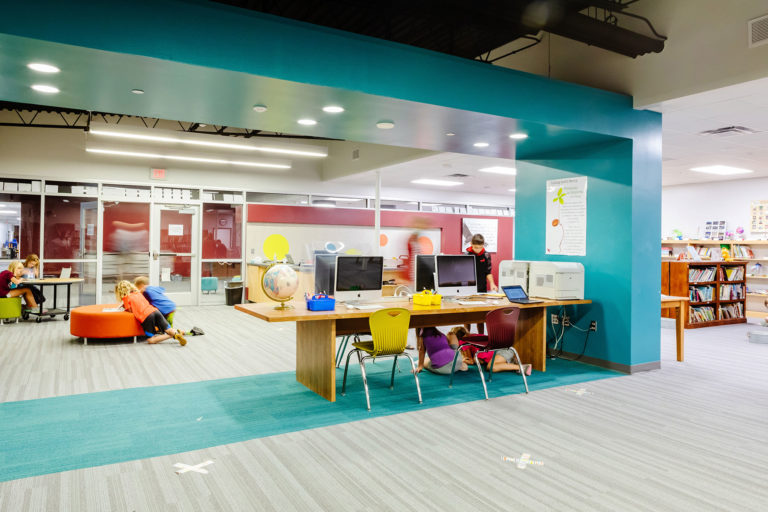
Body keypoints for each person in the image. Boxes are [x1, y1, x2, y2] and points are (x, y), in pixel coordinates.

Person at [115, 280, 187, 345]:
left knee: (151, 340)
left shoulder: (126, 298)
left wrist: (124, 307)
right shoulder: (138, 293)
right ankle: (176, 334)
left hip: (146, 316)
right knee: (169, 329)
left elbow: (129, 310)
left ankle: (171, 335)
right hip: (155, 311)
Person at [134, 276, 204, 336]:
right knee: (166, 327)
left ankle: (191, 332)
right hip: (169, 307)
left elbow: (145, 299)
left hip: (166, 310)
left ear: (142, 285)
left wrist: (140, 291)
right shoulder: (152, 288)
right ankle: (161, 331)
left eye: (138, 287)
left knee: (170, 330)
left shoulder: (147, 291)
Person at [465, 233, 497, 334]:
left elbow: (488, 272)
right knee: (467, 315)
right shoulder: (467, 255)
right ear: (471, 244)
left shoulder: (486, 255)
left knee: (480, 315)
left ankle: (481, 336)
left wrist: (492, 283)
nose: (478, 249)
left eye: (480, 247)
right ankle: (467, 337)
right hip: (468, 288)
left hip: (481, 287)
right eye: (475, 247)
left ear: (483, 245)